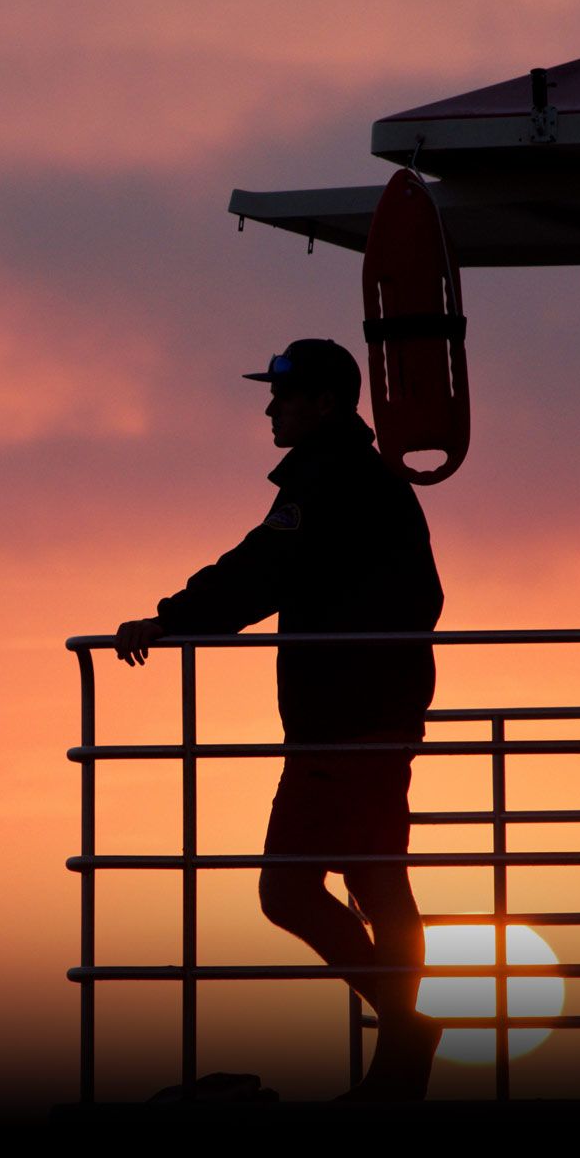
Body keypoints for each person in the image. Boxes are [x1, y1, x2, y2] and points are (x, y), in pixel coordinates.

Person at [113, 337, 445, 1100]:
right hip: (374, 715)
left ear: (324, 403)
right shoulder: (370, 480)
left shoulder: (329, 479)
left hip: (343, 721)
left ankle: (405, 1032)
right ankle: (400, 1056)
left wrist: (169, 621)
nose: (269, 407)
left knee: (290, 889)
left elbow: (262, 569)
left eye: (283, 396)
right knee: (377, 878)